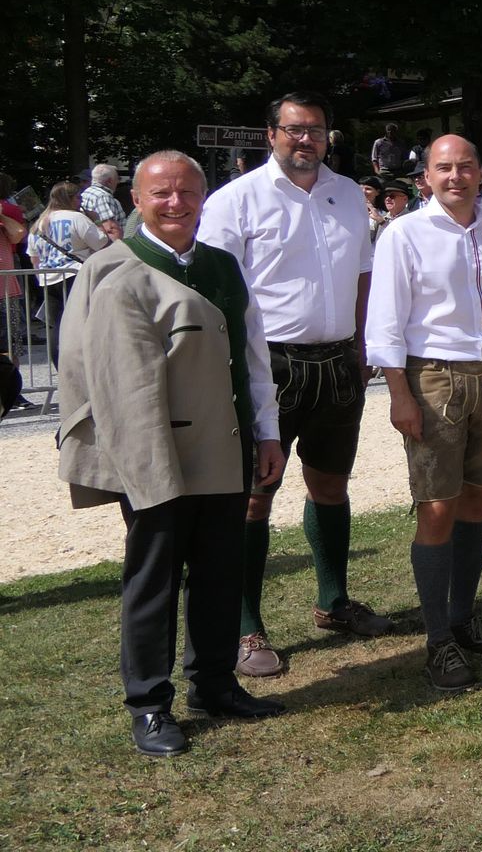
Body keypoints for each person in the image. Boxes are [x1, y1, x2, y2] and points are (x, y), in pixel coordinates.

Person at [57, 151, 285, 756]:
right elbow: (116, 385)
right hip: (155, 455)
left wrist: (266, 431)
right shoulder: (115, 270)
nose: (176, 203)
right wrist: (147, 473)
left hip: (225, 446)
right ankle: (150, 705)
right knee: (153, 579)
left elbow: (252, 355)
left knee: (218, 573)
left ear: (204, 196)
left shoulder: (223, 267)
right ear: (137, 200)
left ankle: (213, 684)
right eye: (162, 193)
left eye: (187, 191)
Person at [198, 92, 394, 679]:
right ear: (271, 135)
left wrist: (363, 351)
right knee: (255, 495)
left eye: (315, 130)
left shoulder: (346, 196)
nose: (305, 139)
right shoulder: (235, 201)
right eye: (293, 130)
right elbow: (216, 292)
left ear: (328, 136)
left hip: (337, 364)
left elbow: (363, 276)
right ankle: (245, 627)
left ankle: (333, 602)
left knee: (331, 486)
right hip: (268, 366)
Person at [365, 135, 482, 691]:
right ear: (426, 176)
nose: (456, 176)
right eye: (444, 168)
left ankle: (465, 618)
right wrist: (399, 394)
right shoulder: (404, 234)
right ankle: (438, 638)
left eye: (466, 166)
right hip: (434, 378)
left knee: (476, 500)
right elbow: (386, 322)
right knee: (436, 507)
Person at [27, 181, 109, 367]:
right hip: (75, 276)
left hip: (48, 278)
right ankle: (86, 366)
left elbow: (34, 257)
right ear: (70, 198)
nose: (80, 200)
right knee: (83, 322)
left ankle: (60, 365)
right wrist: (96, 220)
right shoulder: (77, 218)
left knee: (57, 324)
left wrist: (41, 277)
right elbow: (102, 243)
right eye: (78, 197)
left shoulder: (39, 222)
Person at [81, 163, 126, 241]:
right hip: (111, 246)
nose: (118, 182)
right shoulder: (103, 196)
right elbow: (110, 228)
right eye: (117, 179)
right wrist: (117, 249)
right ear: (109, 181)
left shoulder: (86, 193)